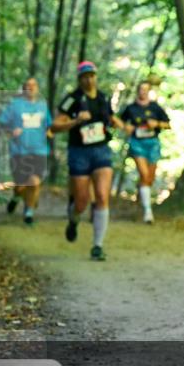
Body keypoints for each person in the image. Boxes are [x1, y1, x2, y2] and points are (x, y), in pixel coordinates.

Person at [51, 61, 124, 261]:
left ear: (96, 77)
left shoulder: (103, 98)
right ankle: (74, 219)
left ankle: (97, 246)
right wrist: (75, 121)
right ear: (80, 79)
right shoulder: (71, 99)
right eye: (85, 76)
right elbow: (55, 126)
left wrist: (116, 122)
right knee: (82, 202)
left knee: (101, 196)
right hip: (79, 152)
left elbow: (111, 119)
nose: (89, 79)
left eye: (92, 75)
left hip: (101, 151)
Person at [0, 77, 52, 225]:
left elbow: (50, 126)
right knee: (21, 186)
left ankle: (28, 213)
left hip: (40, 151)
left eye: (34, 85)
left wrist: (50, 133)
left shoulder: (42, 106)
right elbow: (1, 124)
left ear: (38, 88)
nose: (31, 87)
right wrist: (10, 131)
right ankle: (16, 197)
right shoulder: (15, 105)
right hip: (19, 151)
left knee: (34, 182)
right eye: (27, 85)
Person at [119, 80, 170, 223]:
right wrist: (125, 127)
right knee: (144, 174)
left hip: (153, 144)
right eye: (141, 89)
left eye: (146, 89)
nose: (143, 92)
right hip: (137, 143)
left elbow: (167, 124)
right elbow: (118, 121)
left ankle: (140, 200)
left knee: (149, 179)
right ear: (138, 91)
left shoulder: (155, 107)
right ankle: (148, 212)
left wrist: (157, 124)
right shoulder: (131, 108)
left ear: (149, 91)